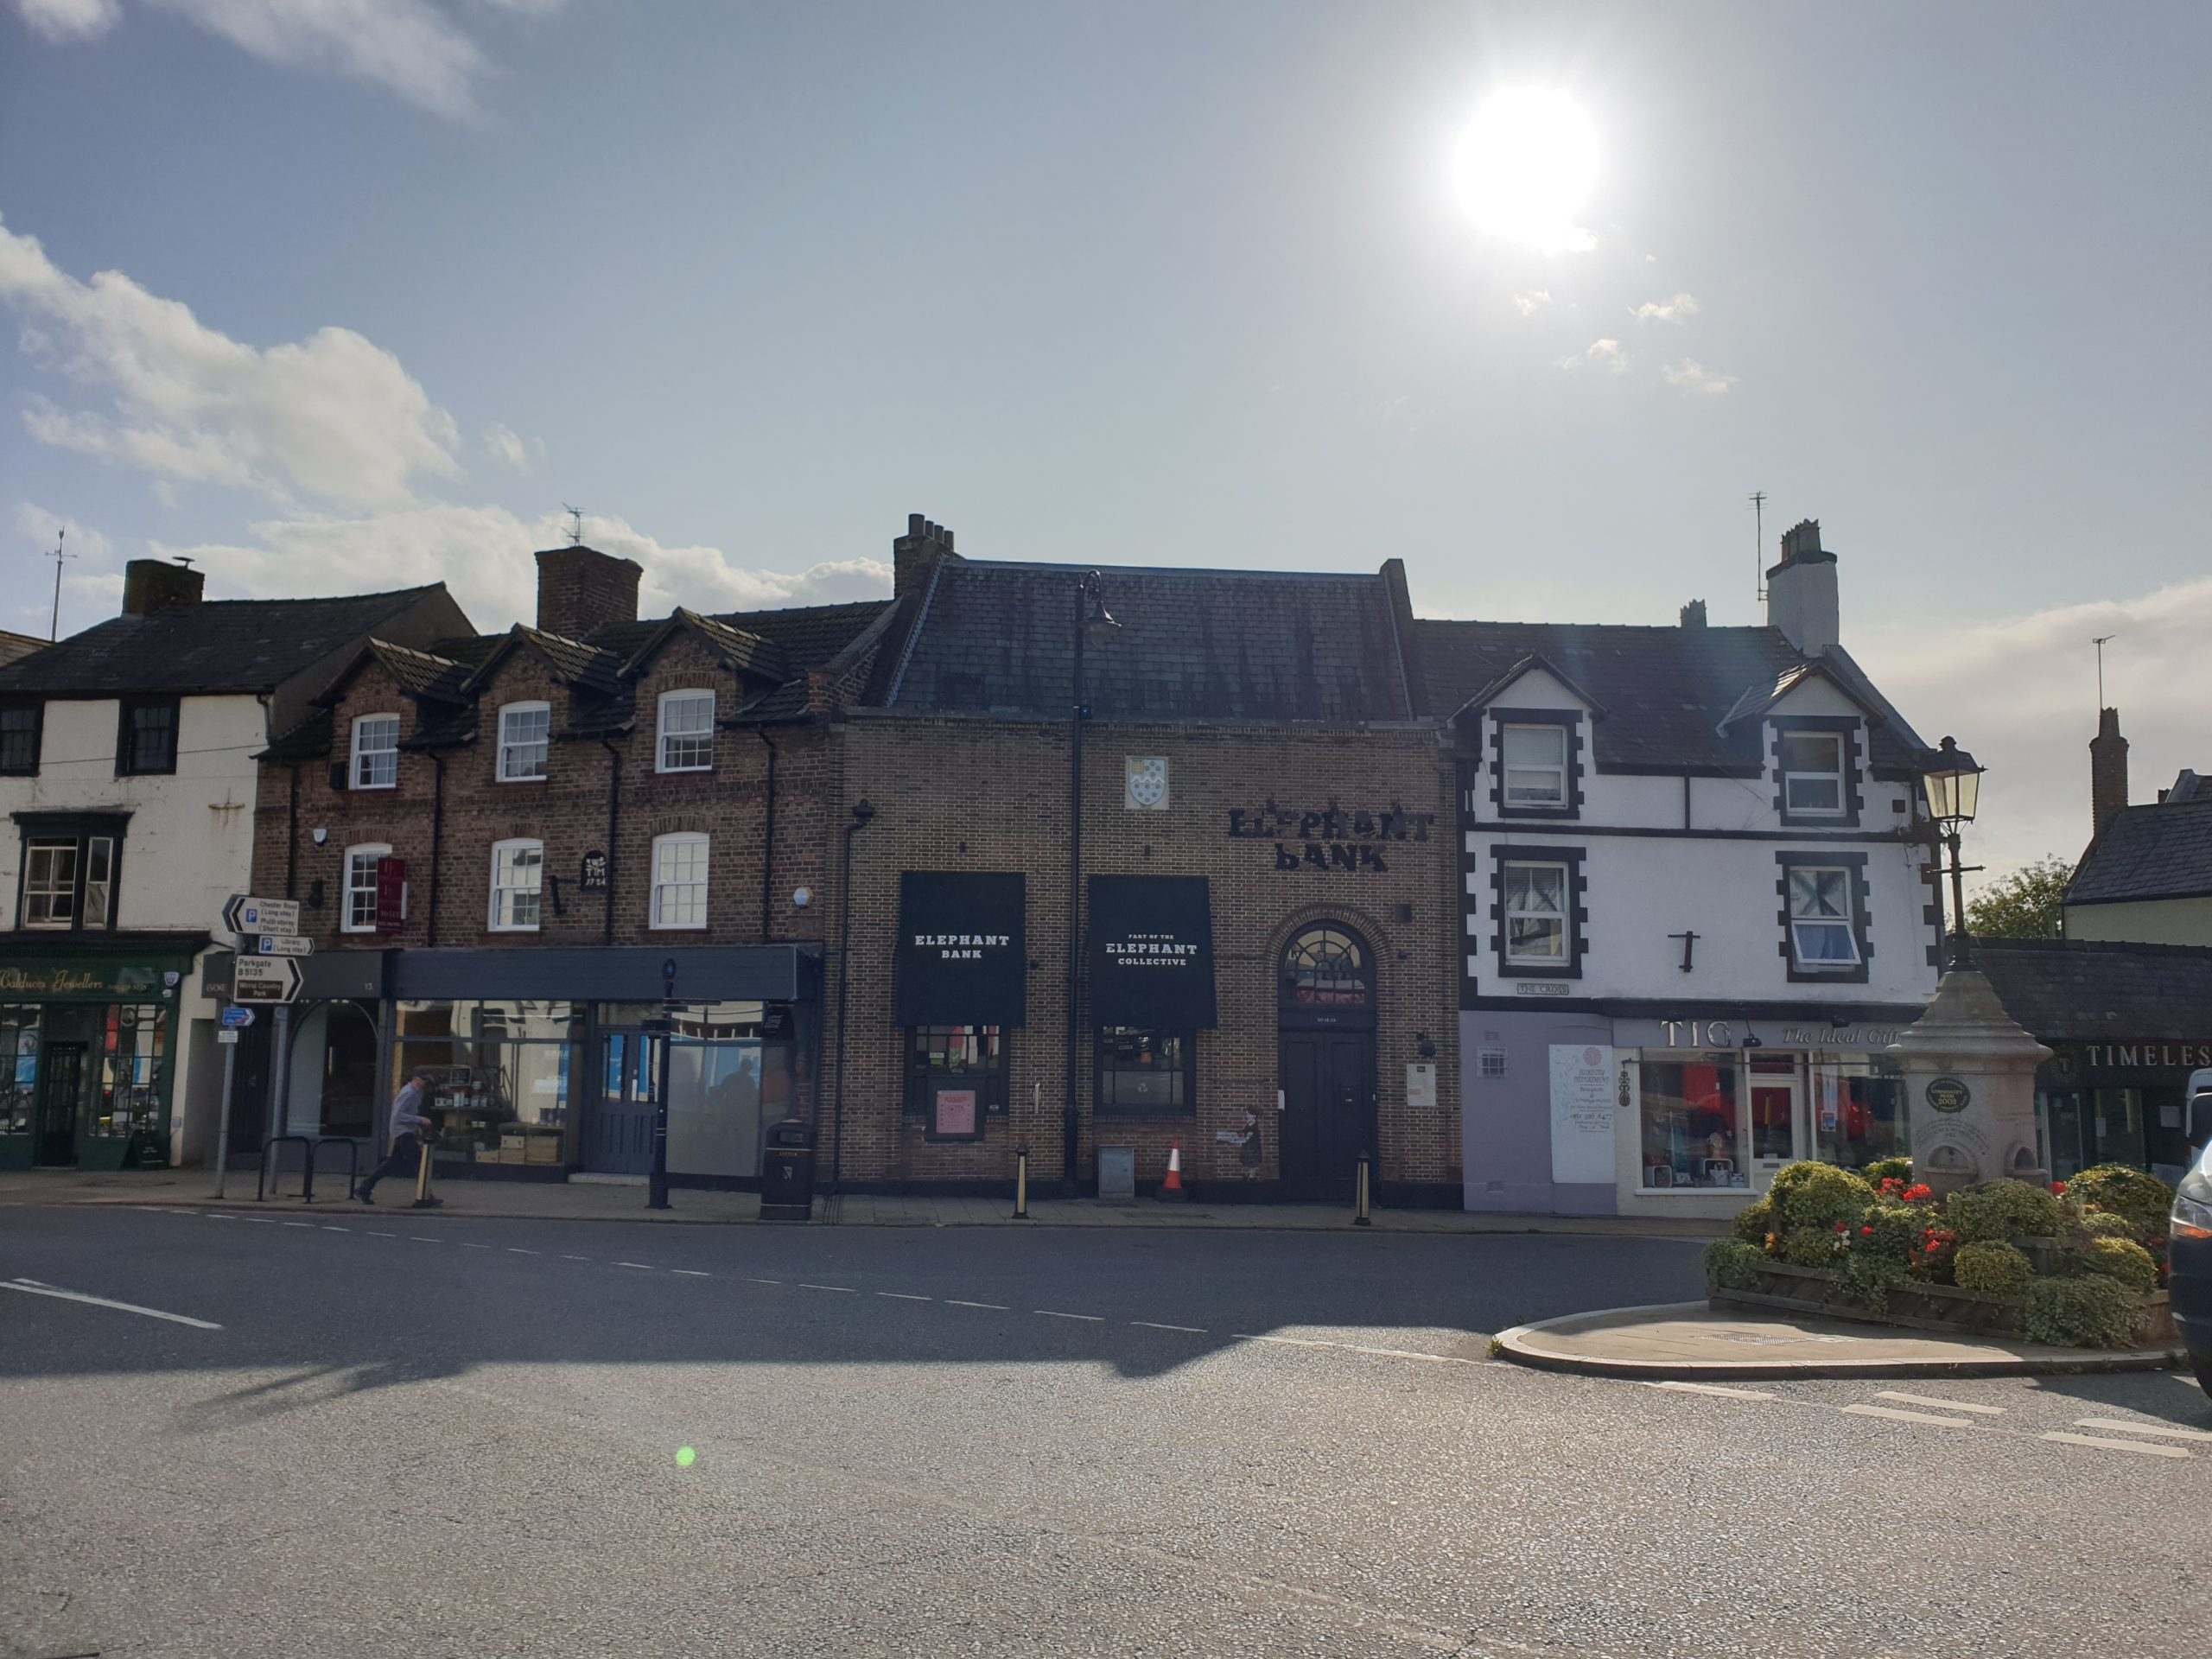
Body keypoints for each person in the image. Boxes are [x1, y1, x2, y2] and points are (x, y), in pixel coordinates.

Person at [357, 1071, 434, 1205]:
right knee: (419, 1162)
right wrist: (419, 1120)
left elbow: (406, 1113)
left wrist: (416, 1125)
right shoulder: (408, 1093)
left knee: (393, 1162)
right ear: (415, 1079)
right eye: (424, 1080)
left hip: (403, 1131)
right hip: (403, 1132)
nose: (425, 1084)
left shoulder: (414, 1092)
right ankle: (424, 1196)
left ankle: (364, 1188)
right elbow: (398, 1114)